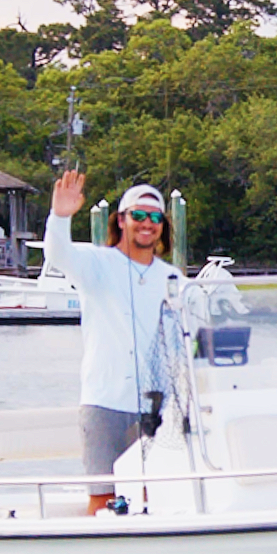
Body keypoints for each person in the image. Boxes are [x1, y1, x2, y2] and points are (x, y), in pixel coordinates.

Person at [45, 170, 182, 514]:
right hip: (103, 403)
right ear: (121, 220)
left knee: (153, 497)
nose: (147, 223)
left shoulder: (174, 279)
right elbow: (58, 254)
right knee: (103, 499)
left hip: (156, 409)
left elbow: (187, 344)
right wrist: (60, 217)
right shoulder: (96, 264)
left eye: (155, 217)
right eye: (138, 215)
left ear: (163, 226)